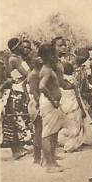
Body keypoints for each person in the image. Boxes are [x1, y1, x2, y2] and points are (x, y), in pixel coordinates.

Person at [2, 37, 32, 160]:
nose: (23, 47)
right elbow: (26, 73)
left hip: (21, 88)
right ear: (16, 48)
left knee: (18, 118)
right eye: (20, 45)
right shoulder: (14, 59)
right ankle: (16, 150)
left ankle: (19, 148)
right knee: (16, 118)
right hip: (17, 90)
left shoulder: (19, 58)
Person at [37, 43, 65, 173]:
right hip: (49, 103)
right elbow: (42, 86)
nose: (56, 56)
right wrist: (52, 99)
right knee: (48, 134)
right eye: (54, 53)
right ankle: (49, 164)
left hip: (51, 103)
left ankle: (52, 161)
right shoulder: (47, 70)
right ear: (49, 55)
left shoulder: (48, 68)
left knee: (53, 133)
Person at [26, 50, 44, 165]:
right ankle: (37, 157)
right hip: (36, 104)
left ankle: (44, 154)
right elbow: (33, 91)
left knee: (42, 130)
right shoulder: (34, 74)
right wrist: (40, 103)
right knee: (39, 129)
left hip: (38, 102)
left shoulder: (37, 73)